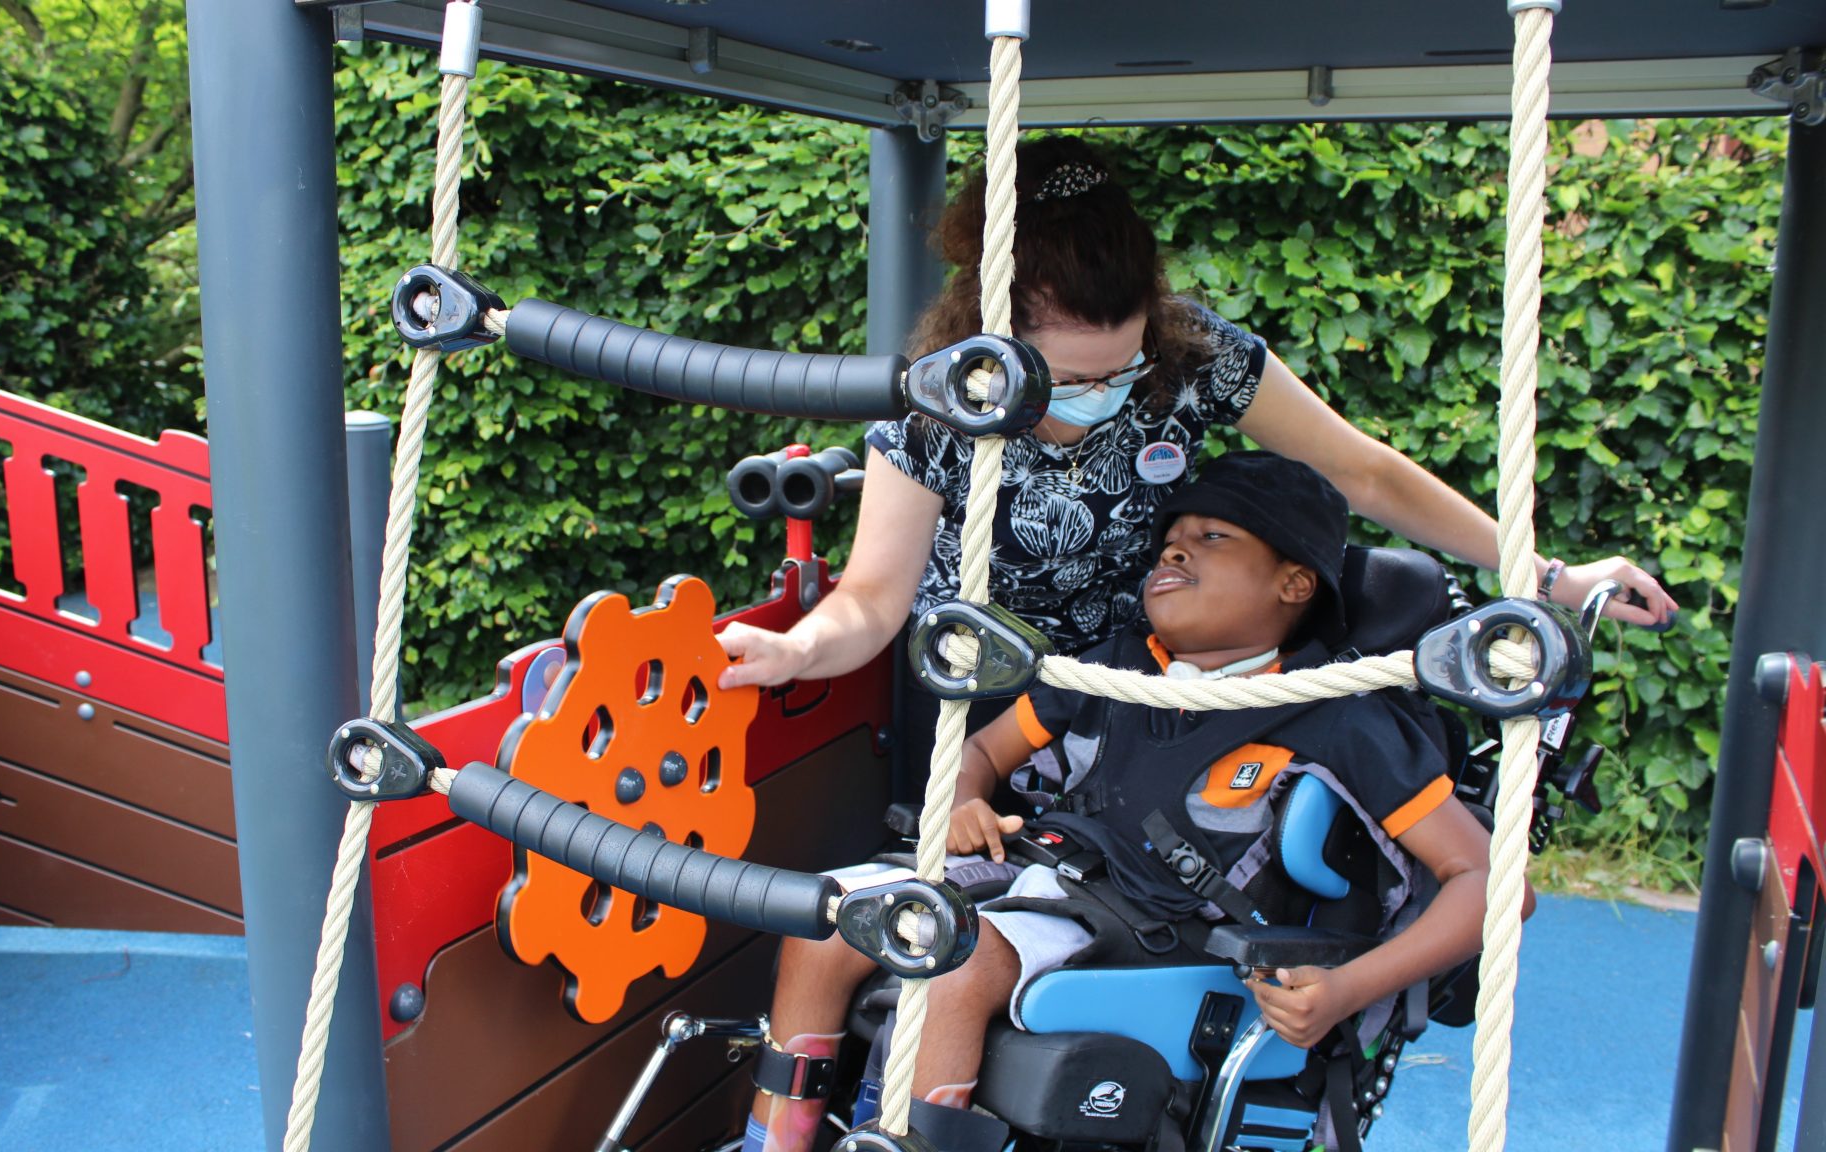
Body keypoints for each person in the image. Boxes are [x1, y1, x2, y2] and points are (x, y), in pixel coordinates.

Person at [717, 136, 1676, 734]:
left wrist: (1549, 575)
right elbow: (874, 601)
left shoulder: (1195, 355)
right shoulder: (940, 404)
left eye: (1124, 366)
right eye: (1073, 376)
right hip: (972, 699)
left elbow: (1367, 476)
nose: (1106, 391)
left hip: (1136, 692)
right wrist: (803, 650)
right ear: (993, 342)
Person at [740, 453, 1501, 1152]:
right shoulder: (1118, 671)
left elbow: (1491, 887)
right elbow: (980, 754)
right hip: (1048, 881)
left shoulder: (1342, 718)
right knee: (828, 920)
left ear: (1294, 583)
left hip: (1175, 934)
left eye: (1213, 536)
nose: (1174, 550)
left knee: (949, 963)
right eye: (1170, 539)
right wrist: (966, 799)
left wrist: (1348, 990)